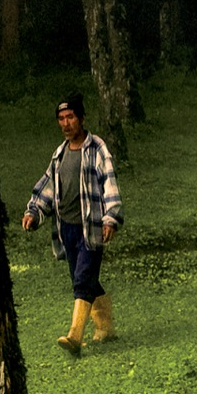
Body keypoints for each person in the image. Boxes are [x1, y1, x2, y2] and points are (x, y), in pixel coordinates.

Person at [21, 93, 121, 355]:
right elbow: (47, 187)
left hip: (92, 226)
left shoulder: (97, 149)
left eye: (71, 117)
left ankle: (75, 335)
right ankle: (106, 327)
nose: (66, 123)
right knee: (86, 278)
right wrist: (34, 212)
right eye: (62, 119)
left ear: (81, 118)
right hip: (67, 228)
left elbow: (109, 183)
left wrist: (109, 218)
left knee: (82, 278)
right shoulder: (59, 154)